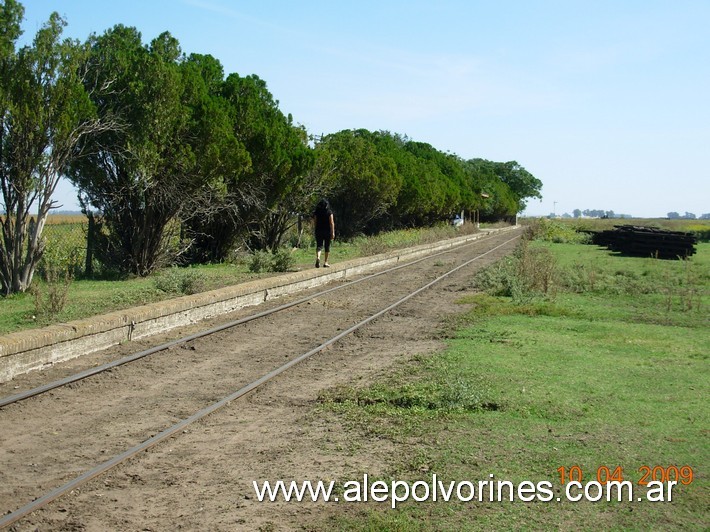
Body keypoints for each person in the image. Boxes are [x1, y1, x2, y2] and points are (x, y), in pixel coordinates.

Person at [312, 198, 335, 268]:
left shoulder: (317, 212)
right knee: (327, 246)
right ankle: (325, 262)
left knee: (319, 246)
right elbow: (331, 223)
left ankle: (318, 257)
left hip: (318, 230)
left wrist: (315, 229)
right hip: (327, 231)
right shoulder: (329, 212)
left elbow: (315, 222)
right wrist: (333, 232)